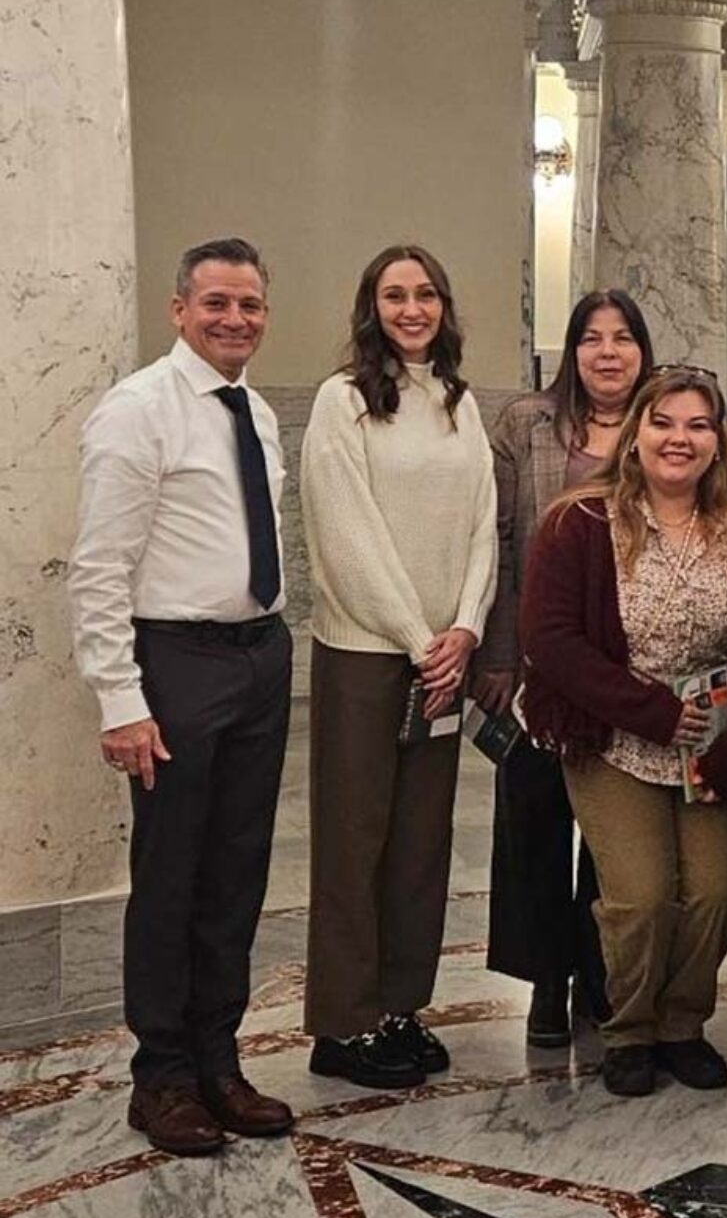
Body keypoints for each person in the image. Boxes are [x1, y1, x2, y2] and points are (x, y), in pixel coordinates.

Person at [69, 237, 296, 1156]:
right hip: (175, 664)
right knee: (172, 877)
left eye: (249, 305)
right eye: (215, 305)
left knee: (236, 870)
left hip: (259, 657)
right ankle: (161, 1077)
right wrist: (120, 699)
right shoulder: (139, 411)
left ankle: (219, 1059)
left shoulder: (256, 413)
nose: (234, 319)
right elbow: (98, 568)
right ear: (178, 310)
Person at [520, 368, 727, 1098]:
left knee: (713, 888)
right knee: (641, 895)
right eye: (664, 422)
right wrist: (654, 713)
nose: (681, 438)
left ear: (719, 439)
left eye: (699, 425)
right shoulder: (577, 521)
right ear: (635, 433)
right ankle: (630, 1030)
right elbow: (549, 639)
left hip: (718, 737)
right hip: (615, 734)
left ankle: (682, 1024)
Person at [300, 244, 498, 1089]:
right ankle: (342, 1028)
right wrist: (421, 639)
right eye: (394, 295)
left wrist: (466, 627)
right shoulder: (342, 402)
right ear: (370, 307)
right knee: (356, 842)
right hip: (368, 658)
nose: (411, 309)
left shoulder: (458, 402)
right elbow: (346, 535)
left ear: (445, 307)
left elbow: (486, 522)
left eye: (425, 295)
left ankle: (400, 1008)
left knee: (422, 844)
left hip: (442, 662)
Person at [475, 290, 653, 1048]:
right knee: (537, 822)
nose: (607, 352)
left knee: (616, 836)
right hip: (541, 662)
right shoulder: (527, 423)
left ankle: (599, 973)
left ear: (644, 350)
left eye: (622, 338)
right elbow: (502, 542)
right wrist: (499, 656)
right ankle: (548, 980)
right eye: (591, 338)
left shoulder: (664, 422)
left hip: (632, 663)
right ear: (571, 350)